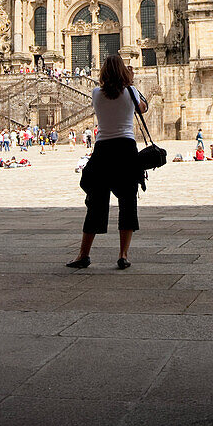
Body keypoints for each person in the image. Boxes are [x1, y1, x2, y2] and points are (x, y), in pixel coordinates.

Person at [66, 55, 147, 271]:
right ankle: (123, 255)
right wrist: (131, 82)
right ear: (123, 72)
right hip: (126, 149)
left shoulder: (96, 93)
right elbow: (143, 108)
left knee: (96, 203)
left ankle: (83, 254)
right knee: (128, 202)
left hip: (102, 151)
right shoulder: (131, 92)